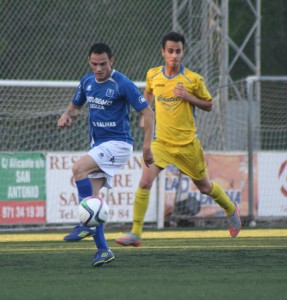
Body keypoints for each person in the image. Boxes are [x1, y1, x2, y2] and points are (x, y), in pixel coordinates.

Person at [115, 31, 241, 247]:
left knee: (205, 187)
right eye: (170, 51)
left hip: (187, 146)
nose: (174, 55)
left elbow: (209, 104)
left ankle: (230, 208)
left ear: (183, 53)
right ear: (163, 52)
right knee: (145, 181)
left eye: (178, 51)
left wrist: (188, 97)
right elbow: (147, 93)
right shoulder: (153, 75)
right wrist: (145, 115)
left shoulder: (193, 79)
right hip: (161, 143)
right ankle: (135, 233)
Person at [57, 42, 154, 266]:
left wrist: (147, 146)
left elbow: (148, 113)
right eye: (94, 64)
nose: (98, 69)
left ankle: (85, 226)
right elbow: (74, 107)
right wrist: (67, 115)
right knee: (92, 201)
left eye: (103, 64)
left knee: (77, 169)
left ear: (112, 61)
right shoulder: (87, 82)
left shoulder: (122, 83)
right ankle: (104, 250)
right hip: (99, 147)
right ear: (89, 62)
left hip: (119, 145)